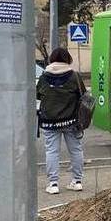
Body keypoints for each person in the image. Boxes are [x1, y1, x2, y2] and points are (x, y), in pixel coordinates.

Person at [36, 47, 85, 196]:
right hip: (71, 121)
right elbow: (83, 95)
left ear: (51, 59)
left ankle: (53, 183)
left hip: (50, 121)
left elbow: (38, 95)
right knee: (76, 150)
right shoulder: (74, 77)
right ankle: (77, 181)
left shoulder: (44, 78)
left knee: (52, 151)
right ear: (68, 59)